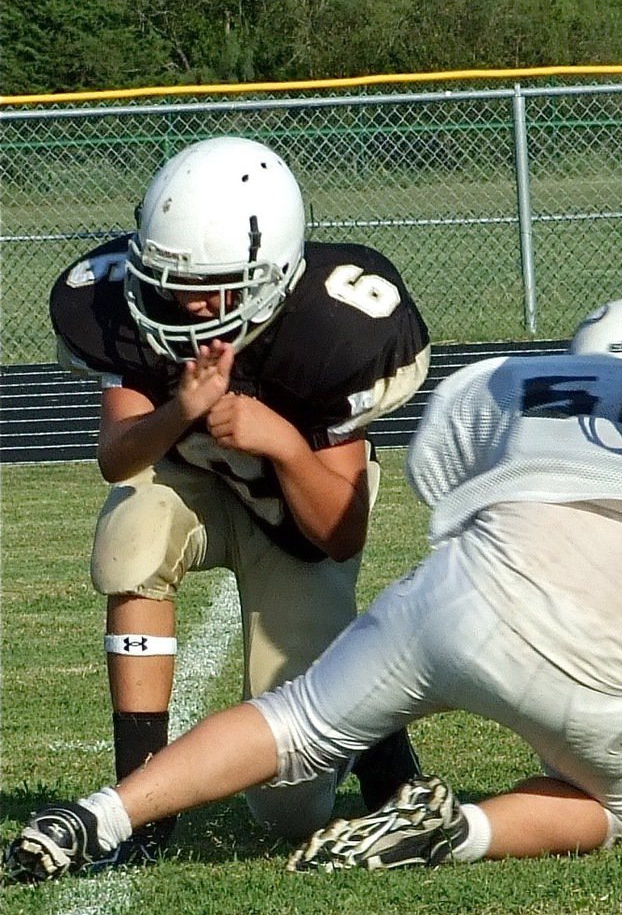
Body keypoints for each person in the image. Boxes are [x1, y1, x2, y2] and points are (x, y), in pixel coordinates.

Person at [5, 299, 622, 881]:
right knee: (618, 800)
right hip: (588, 660)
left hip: (453, 597)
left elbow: (444, 471)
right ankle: (459, 829)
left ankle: (103, 814)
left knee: (292, 720)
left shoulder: (526, 384)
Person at [48, 136, 431, 867]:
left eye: (214, 284)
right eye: (168, 278)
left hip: (294, 521)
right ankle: (141, 801)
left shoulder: (333, 328)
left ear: (274, 273)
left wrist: (282, 441)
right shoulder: (130, 306)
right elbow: (116, 457)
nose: (186, 302)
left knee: (291, 806)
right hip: (190, 489)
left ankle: (381, 745)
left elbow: (339, 534)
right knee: (131, 530)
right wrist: (179, 411)